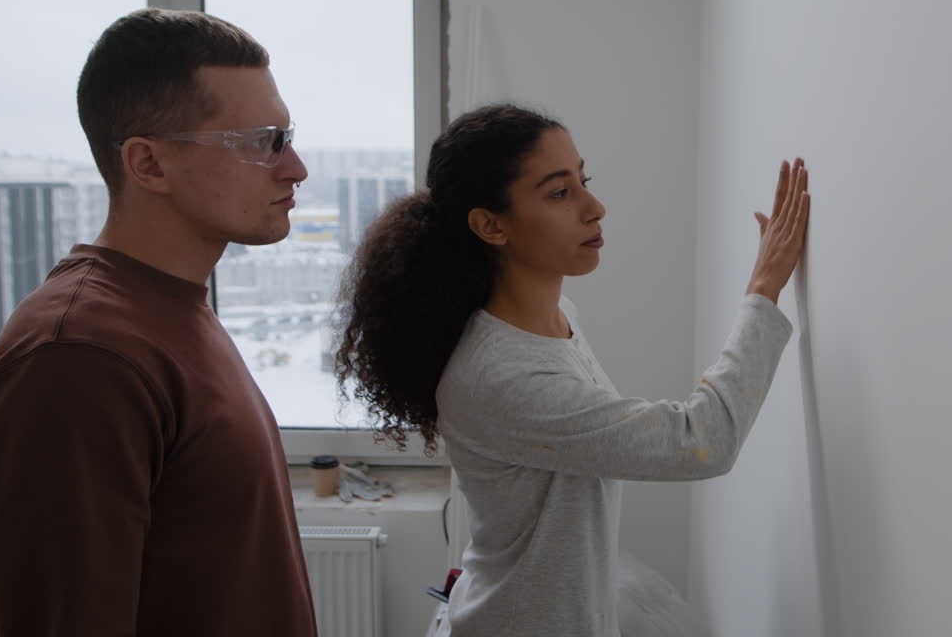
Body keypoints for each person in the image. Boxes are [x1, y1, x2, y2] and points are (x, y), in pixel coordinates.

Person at [335, 103, 810, 636]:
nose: (595, 206)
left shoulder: (557, 321)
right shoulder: (499, 377)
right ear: (491, 225)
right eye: (560, 193)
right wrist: (763, 290)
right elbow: (702, 440)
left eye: (583, 180)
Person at [0, 8, 316, 636]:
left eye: (288, 136)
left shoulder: (171, 308)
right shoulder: (77, 356)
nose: (294, 167)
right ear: (148, 165)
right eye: (263, 141)